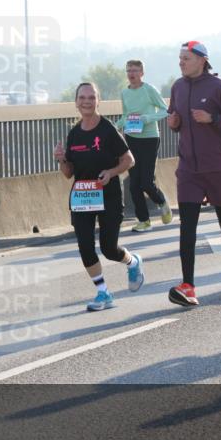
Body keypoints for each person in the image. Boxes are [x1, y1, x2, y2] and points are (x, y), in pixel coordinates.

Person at [166, 41, 221, 307]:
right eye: (179, 58)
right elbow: (175, 119)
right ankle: (188, 286)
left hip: (218, 167)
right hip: (189, 168)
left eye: (186, 58)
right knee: (187, 227)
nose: (181, 63)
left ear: (202, 60)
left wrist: (212, 118)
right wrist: (174, 124)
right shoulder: (177, 87)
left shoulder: (219, 87)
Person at [54, 82, 144, 311]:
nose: (86, 101)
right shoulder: (73, 134)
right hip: (83, 197)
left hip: (109, 196)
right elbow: (68, 174)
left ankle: (132, 262)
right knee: (85, 246)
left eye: (91, 97)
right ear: (76, 102)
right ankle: (103, 293)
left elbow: (129, 160)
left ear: (98, 101)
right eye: (82, 97)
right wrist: (62, 159)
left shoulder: (107, 129)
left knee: (108, 249)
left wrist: (111, 172)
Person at [117, 59, 173, 232]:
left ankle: (162, 202)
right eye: (128, 71)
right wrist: (115, 126)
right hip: (131, 138)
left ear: (142, 73)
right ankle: (144, 220)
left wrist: (147, 118)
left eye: (135, 70)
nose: (131, 74)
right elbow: (126, 115)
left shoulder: (149, 90)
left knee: (146, 182)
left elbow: (166, 110)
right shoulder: (124, 93)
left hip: (149, 138)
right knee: (134, 184)